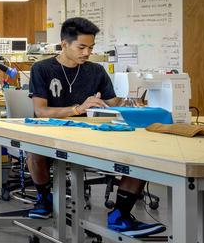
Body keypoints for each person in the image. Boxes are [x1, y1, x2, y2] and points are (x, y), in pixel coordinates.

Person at [27, 17, 165, 238]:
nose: (87, 52)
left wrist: (133, 100)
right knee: (34, 152)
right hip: (52, 134)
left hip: (90, 135)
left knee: (141, 154)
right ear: (64, 44)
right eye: (81, 47)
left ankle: (120, 215)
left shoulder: (96, 71)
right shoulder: (42, 69)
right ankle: (44, 199)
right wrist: (78, 109)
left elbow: (112, 103)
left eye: (91, 47)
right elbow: (41, 111)